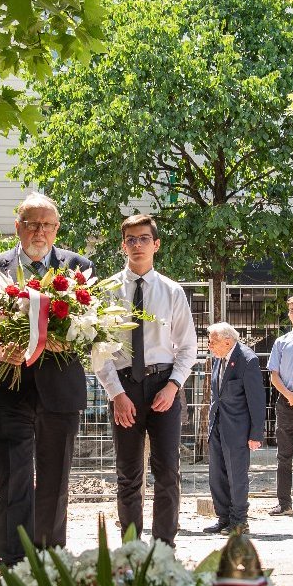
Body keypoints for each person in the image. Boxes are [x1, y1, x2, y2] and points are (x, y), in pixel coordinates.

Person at [0, 193, 96, 566]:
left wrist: (67, 339)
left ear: (56, 229)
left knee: (55, 479)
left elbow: (95, 330)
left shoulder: (78, 270)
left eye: (47, 224)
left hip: (60, 392)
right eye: (32, 223)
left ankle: (51, 556)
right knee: (14, 476)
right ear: (17, 226)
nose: (39, 231)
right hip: (8, 391)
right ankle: (11, 555)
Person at [94, 214, 197, 546]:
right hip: (124, 389)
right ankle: (131, 548)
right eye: (130, 240)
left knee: (168, 471)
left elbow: (188, 346)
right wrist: (115, 393)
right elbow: (100, 347)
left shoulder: (172, 291)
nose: (137, 245)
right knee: (128, 474)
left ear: (156, 244)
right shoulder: (107, 291)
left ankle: (165, 546)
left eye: (143, 239)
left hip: (163, 386)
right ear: (123, 245)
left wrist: (173, 385)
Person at [204, 323, 266, 534]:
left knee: (237, 477)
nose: (209, 345)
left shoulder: (248, 360)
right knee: (217, 476)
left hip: (238, 429)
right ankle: (223, 518)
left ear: (227, 342)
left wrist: (256, 434)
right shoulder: (218, 358)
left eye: (213, 342)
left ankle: (239, 521)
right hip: (217, 425)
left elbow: (257, 400)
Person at [264, 294, 293, 516]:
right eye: (292, 310)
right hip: (286, 401)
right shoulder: (281, 342)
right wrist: (290, 395)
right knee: (284, 454)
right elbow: (273, 375)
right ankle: (284, 503)